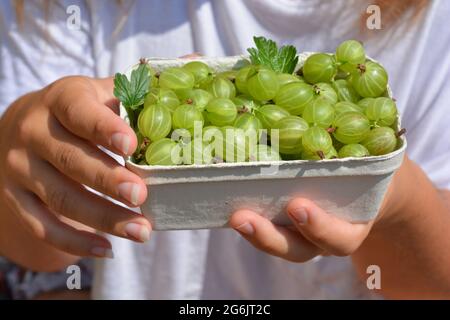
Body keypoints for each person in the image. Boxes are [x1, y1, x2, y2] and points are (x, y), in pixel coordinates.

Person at [0, 0, 449, 299]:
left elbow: (435, 285)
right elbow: (38, 251)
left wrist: (390, 197)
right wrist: (23, 153)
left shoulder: (431, 20)